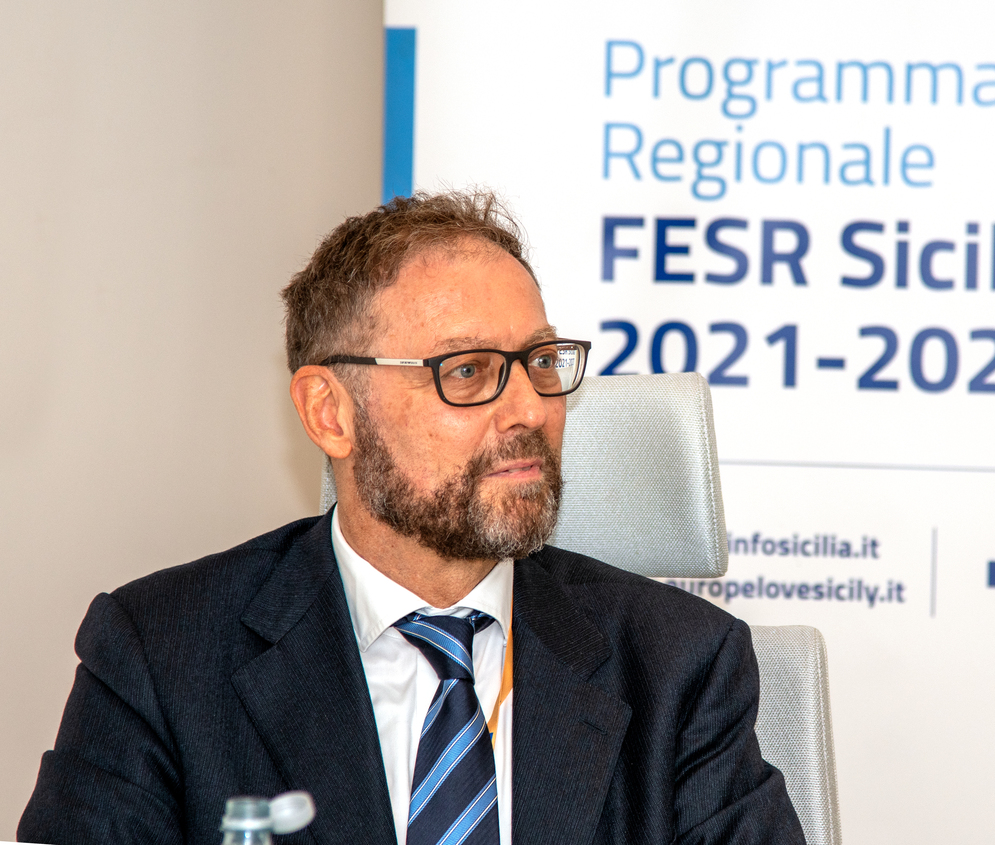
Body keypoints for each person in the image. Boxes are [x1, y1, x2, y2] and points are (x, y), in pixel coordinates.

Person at [18, 191, 805, 845]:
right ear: (330, 413)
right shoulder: (159, 654)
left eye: (539, 362)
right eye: (467, 371)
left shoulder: (677, 665)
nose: (530, 408)